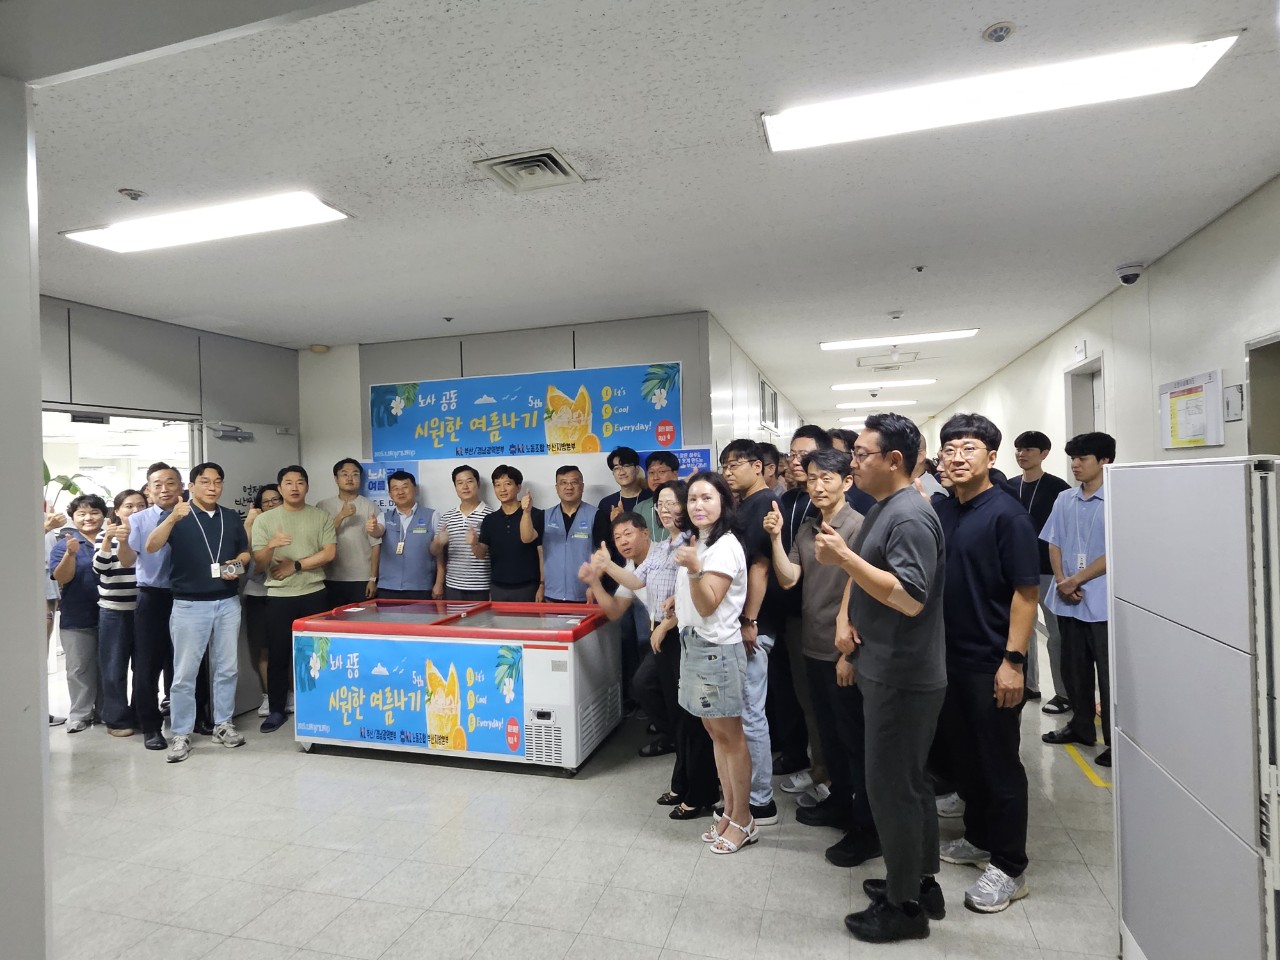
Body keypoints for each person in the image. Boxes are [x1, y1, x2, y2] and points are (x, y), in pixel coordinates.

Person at [815, 412, 947, 943]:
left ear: (894, 460)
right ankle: (920, 882)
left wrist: (844, 558)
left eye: (861, 454)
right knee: (908, 785)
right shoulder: (887, 507)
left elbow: (911, 598)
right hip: (890, 667)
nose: (853, 463)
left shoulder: (909, 516)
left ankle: (904, 907)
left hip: (902, 674)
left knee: (893, 789)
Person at [932, 414, 1040, 913]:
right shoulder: (944, 510)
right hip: (948, 657)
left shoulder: (1007, 515)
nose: (957, 457)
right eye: (950, 448)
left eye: (969, 448)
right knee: (965, 756)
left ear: (991, 457)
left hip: (991, 660)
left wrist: (1013, 661)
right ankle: (978, 838)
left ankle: (1010, 866)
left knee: (998, 763)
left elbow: (1026, 593)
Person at [765, 446, 879, 866]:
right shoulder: (807, 527)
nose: (817, 486)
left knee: (855, 741)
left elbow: (867, 592)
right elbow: (789, 578)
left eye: (826, 478)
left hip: (844, 651)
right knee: (829, 737)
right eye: (811, 478)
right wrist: (776, 538)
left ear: (847, 482)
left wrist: (851, 655)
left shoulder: (860, 527)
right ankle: (840, 803)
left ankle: (866, 829)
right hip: (812, 646)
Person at [145, 462, 251, 762]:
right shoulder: (177, 514)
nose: (212, 487)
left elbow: (245, 553)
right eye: (205, 482)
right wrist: (171, 518)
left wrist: (236, 566)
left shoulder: (230, 516)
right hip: (189, 605)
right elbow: (151, 546)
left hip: (227, 602)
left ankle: (223, 724)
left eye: (217, 481)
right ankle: (181, 733)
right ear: (191, 487)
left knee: (227, 668)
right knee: (184, 674)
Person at [673, 472, 754, 854]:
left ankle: (744, 819)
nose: (698, 505)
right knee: (715, 733)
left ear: (724, 501)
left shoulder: (725, 546)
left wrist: (693, 570)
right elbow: (695, 600)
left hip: (716, 650)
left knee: (730, 737)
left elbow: (708, 604)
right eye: (692, 499)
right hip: (696, 645)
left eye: (707, 497)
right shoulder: (701, 540)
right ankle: (730, 811)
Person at [1040, 432, 1116, 767]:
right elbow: (1053, 542)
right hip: (1068, 599)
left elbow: (1117, 550)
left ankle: (1114, 740)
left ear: (1104, 461)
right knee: (1073, 669)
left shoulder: (1116, 500)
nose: (1075, 464)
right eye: (1073, 458)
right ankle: (1081, 726)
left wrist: (1076, 580)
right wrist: (1062, 581)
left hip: (1100, 603)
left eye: (1083, 458)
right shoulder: (1064, 499)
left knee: (1108, 676)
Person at [718, 440, 780, 827]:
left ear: (757, 466)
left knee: (750, 713)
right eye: (724, 465)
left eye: (735, 464)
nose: (727, 471)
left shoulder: (763, 503)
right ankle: (746, 793)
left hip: (754, 628)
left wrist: (750, 620)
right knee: (743, 713)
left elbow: (761, 567)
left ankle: (760, 800)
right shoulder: (745, 505)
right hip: (742, 625)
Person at [128, 462, 210, 751]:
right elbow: (133, 556)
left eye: (171, 483)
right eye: (158, 484)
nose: (164, 489)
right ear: (148, 490)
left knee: (191, 661)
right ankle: (151, 726)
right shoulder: (138, 520)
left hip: (188, 595)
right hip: (153, 596)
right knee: (147, 663)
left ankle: (195, 718)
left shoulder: (198, 515)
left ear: (182, 488)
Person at [251, 465, 337, 733]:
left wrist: (296, 565)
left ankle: (319, 706)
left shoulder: (320, 516)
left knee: (317, 655)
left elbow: (329, 553)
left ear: (307, 486)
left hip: (314, 593)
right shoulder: (265, 520)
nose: (295, 487)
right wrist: (271, 546)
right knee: (278, 655)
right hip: (279, 596)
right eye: (288, 483)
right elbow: (258, 565)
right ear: (280, 488)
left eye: (300, 482)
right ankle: (277, 710)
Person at [1012, 431, 1072, 712]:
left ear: (1044, 454)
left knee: (1056, 634)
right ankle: (1028, 685)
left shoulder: (1058, 488)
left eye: (1029, 449)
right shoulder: (1010, 487)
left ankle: (1063, 693)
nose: (1022, 454)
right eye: (1018, 449)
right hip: (1017, 570)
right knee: (1022, 631)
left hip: (1049, 571)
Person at [49, 494, 108, 733]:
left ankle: (106, 712)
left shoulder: (111, 539)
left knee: (109, 667)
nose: (88, 518)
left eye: (94, 512)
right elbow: (61, 578)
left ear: (103, 515)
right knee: (78, 668)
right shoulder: (64, 544)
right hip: (77, 615)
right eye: (81, 514)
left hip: (112, 615)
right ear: (73, 517)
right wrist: (70, 554)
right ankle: (80, 714)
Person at [93, 489, 146, 737]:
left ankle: (140, 714)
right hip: (114, 611)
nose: (135, 510)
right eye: (128, 506)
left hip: (144, 610)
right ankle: (116, 719)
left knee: (144, 668)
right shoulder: (105, 535)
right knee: (114, 668)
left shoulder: (149, 533)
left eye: (140, 505)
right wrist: (107, 539)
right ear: (117, 511)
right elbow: (100, 568)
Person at [521, 465, 596, 603]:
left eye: (574, 482)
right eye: (563, 483)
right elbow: (526, 538)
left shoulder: (596, 515)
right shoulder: (545, 516)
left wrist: (595, 586)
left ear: (582, 486)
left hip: (586, 595)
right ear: (557, 488)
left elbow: (604, 555)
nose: (569, 487)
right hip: (552, 594)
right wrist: (526, 512)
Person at [316, 458, 381, 607]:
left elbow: (376, 545)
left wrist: (373, 578)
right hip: (330, 577)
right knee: (333, 620)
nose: (350, 478)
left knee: (364, 620)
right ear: (336, 479)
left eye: (355, 474)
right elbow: (319, 539)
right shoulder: (322, 506)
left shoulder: (370, 506)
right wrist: (341, 516)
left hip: (361, 578)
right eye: (345, 474)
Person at [370, 470, 442, 600]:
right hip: (388, 587)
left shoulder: (432, 516)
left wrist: (439, 583)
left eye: (405, 487)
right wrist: (373, 528)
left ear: (415, 489)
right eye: (395, 489)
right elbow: (377, 532)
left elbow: (440, 553)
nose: (400, 492)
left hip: (421, 587)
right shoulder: (383, 517)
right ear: (390, 494)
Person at [475, 464, 543, 602]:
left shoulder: (536, 515)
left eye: (507, 484)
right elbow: (481, 554)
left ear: (518, 487)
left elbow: (542, 554)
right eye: (497, 485)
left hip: (528, 587)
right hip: (498, 588)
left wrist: (542, 585)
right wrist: (473, 543)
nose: (502, 489)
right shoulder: (489, 520)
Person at [243, 484, 282, 717]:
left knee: (286, 648)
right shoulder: (254, 525)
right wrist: (249, 525)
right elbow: (251, 566)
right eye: (266, 501)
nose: (271, 504)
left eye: (275, 500)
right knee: (264, 649)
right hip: (259, 594)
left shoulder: (290, 521)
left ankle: (288, 694)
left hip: (287, 593)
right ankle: (268, 696)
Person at [436, 464, 492, 602]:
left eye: (469, 481)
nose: (465, 487)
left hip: (482, 587)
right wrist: (439, 583)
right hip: (453, 586)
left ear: (478, 484)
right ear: (455, 487)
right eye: (460, 483)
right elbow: (439, 554)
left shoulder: (491, 516)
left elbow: (498, 555)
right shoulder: (447, 517)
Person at [44, 507, 67, 726]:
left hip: (47, 587)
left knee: (41, 653)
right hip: (30, 589)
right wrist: (46, 527)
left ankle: (40, 710)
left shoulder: (44, 518)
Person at [636, 451, 679, 542]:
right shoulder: (639, 508)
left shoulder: (684, 504)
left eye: (661, 471)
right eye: (651, 472)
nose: (655, 477)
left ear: (675, 475)